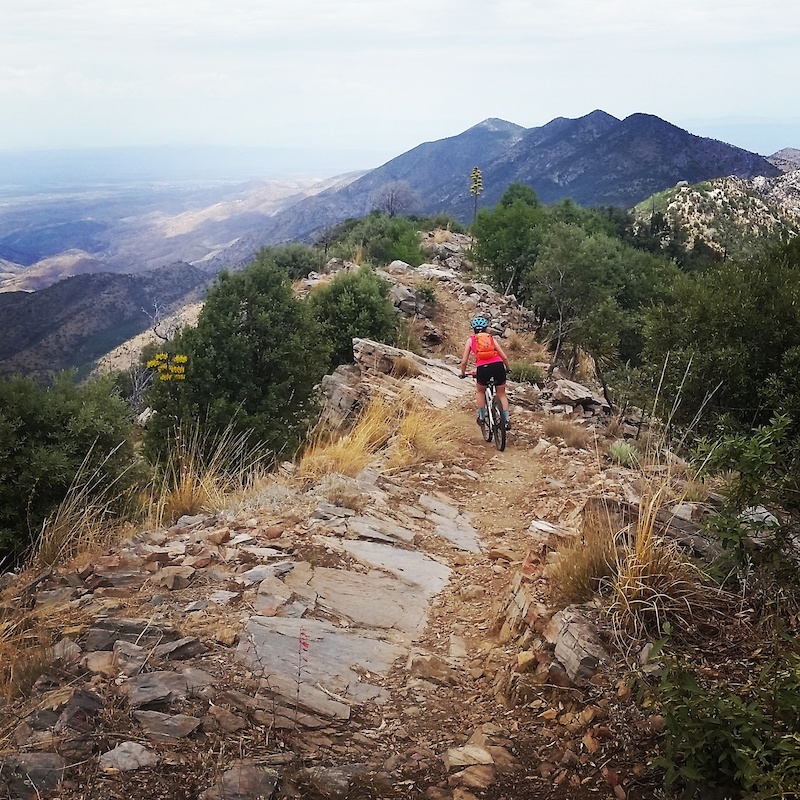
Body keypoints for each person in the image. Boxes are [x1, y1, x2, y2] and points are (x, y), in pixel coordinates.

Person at [459, 316, 512, 430]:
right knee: (501, 394)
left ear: (474, 329)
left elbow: (464, 361)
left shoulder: (471, 340)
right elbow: (504, 356)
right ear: (486, 329)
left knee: (480, 391)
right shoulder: (491, 339)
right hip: (498, 366)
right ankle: (506, 421)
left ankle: (482, 418)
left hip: (483, 368)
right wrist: (507, 368)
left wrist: (463, 373)